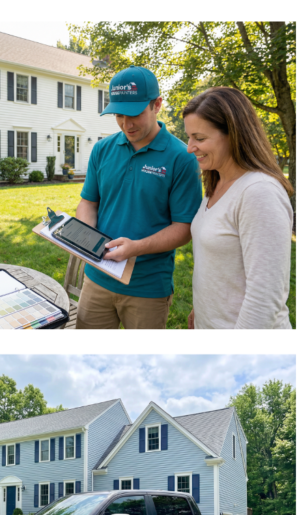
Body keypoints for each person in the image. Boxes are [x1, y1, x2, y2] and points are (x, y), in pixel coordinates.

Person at [74, 65, 201, 329]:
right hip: (97, 278)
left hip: (147, 287)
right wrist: (85, 235)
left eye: (135, 114)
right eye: (118, 115)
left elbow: (184, 228)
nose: (126, 124)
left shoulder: (182, 157)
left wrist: (136, 248)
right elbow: (89, 202)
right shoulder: (102, 149)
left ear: (157, 104)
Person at [182, 87, 294, 329]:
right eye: (189, 137)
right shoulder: (217, 183)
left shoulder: (258, 192)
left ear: (233, 134)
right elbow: (220, 268)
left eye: (199, 138)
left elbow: (265, 298)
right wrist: (201, 312)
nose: (190, 147)